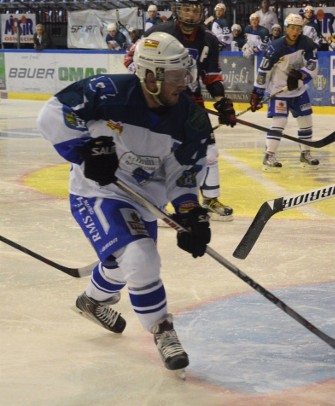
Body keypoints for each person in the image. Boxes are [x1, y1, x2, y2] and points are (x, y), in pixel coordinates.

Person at [37, 31, 211, 373]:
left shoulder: (190, 119)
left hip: (143, 198)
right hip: (97, 191)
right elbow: (53, 115)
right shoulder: (109, 91)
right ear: (150, 77)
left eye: (184, 74)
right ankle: (162, 330)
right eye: (176, 76)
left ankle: (91, 301)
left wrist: (190, 213)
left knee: (122, 262)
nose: (184, 83)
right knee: (140, 256)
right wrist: (86, 149)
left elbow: (183, 173)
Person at [141, 0, 237, 220]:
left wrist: (222, 102)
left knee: (209, 151)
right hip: (161, 102)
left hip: (192, 103)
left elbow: (211, 76)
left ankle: (211, 198)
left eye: (195, 10)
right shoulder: (158, 32)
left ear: (202, 13)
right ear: (177, 11)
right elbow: (132, 60)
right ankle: (157, 202)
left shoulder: (209, 40)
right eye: (186, 9)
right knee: (161, 153)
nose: (190, 14)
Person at [249, 13, 319, 171]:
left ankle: (305, 153)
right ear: (286, 28)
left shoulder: (307, 44)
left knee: (306, 121)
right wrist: (257, 93)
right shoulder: (275, 47)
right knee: (279, 122)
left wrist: (300, 75)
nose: (295, 31)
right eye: (292, 28)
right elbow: (264, 70)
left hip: (299, 90)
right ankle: (269, 155)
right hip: (279, 91)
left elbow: (313, 65)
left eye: (298, 28)